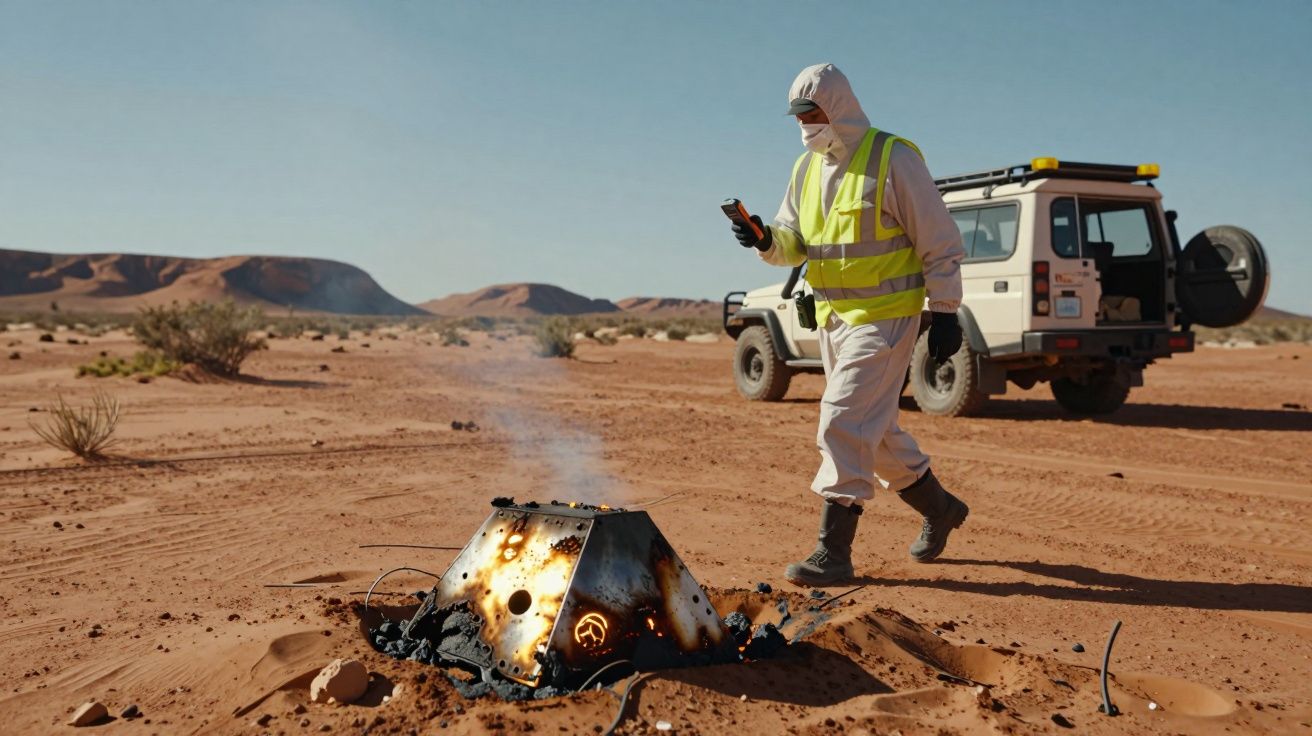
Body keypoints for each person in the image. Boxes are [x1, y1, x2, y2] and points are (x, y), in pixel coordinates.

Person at [730, 63, 970, 587]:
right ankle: (942, 508)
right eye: (797, 116)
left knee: (842, 417)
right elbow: (794, 238)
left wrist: (947, 311)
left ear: (837, 108)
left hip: (886, 318)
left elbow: (941, 240)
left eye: (812, 113)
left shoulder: (893, 157)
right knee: (875, 433)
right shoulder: (805, 168)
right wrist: (765, 239)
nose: (805, 125)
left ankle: (832, 552)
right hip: (835, 320)